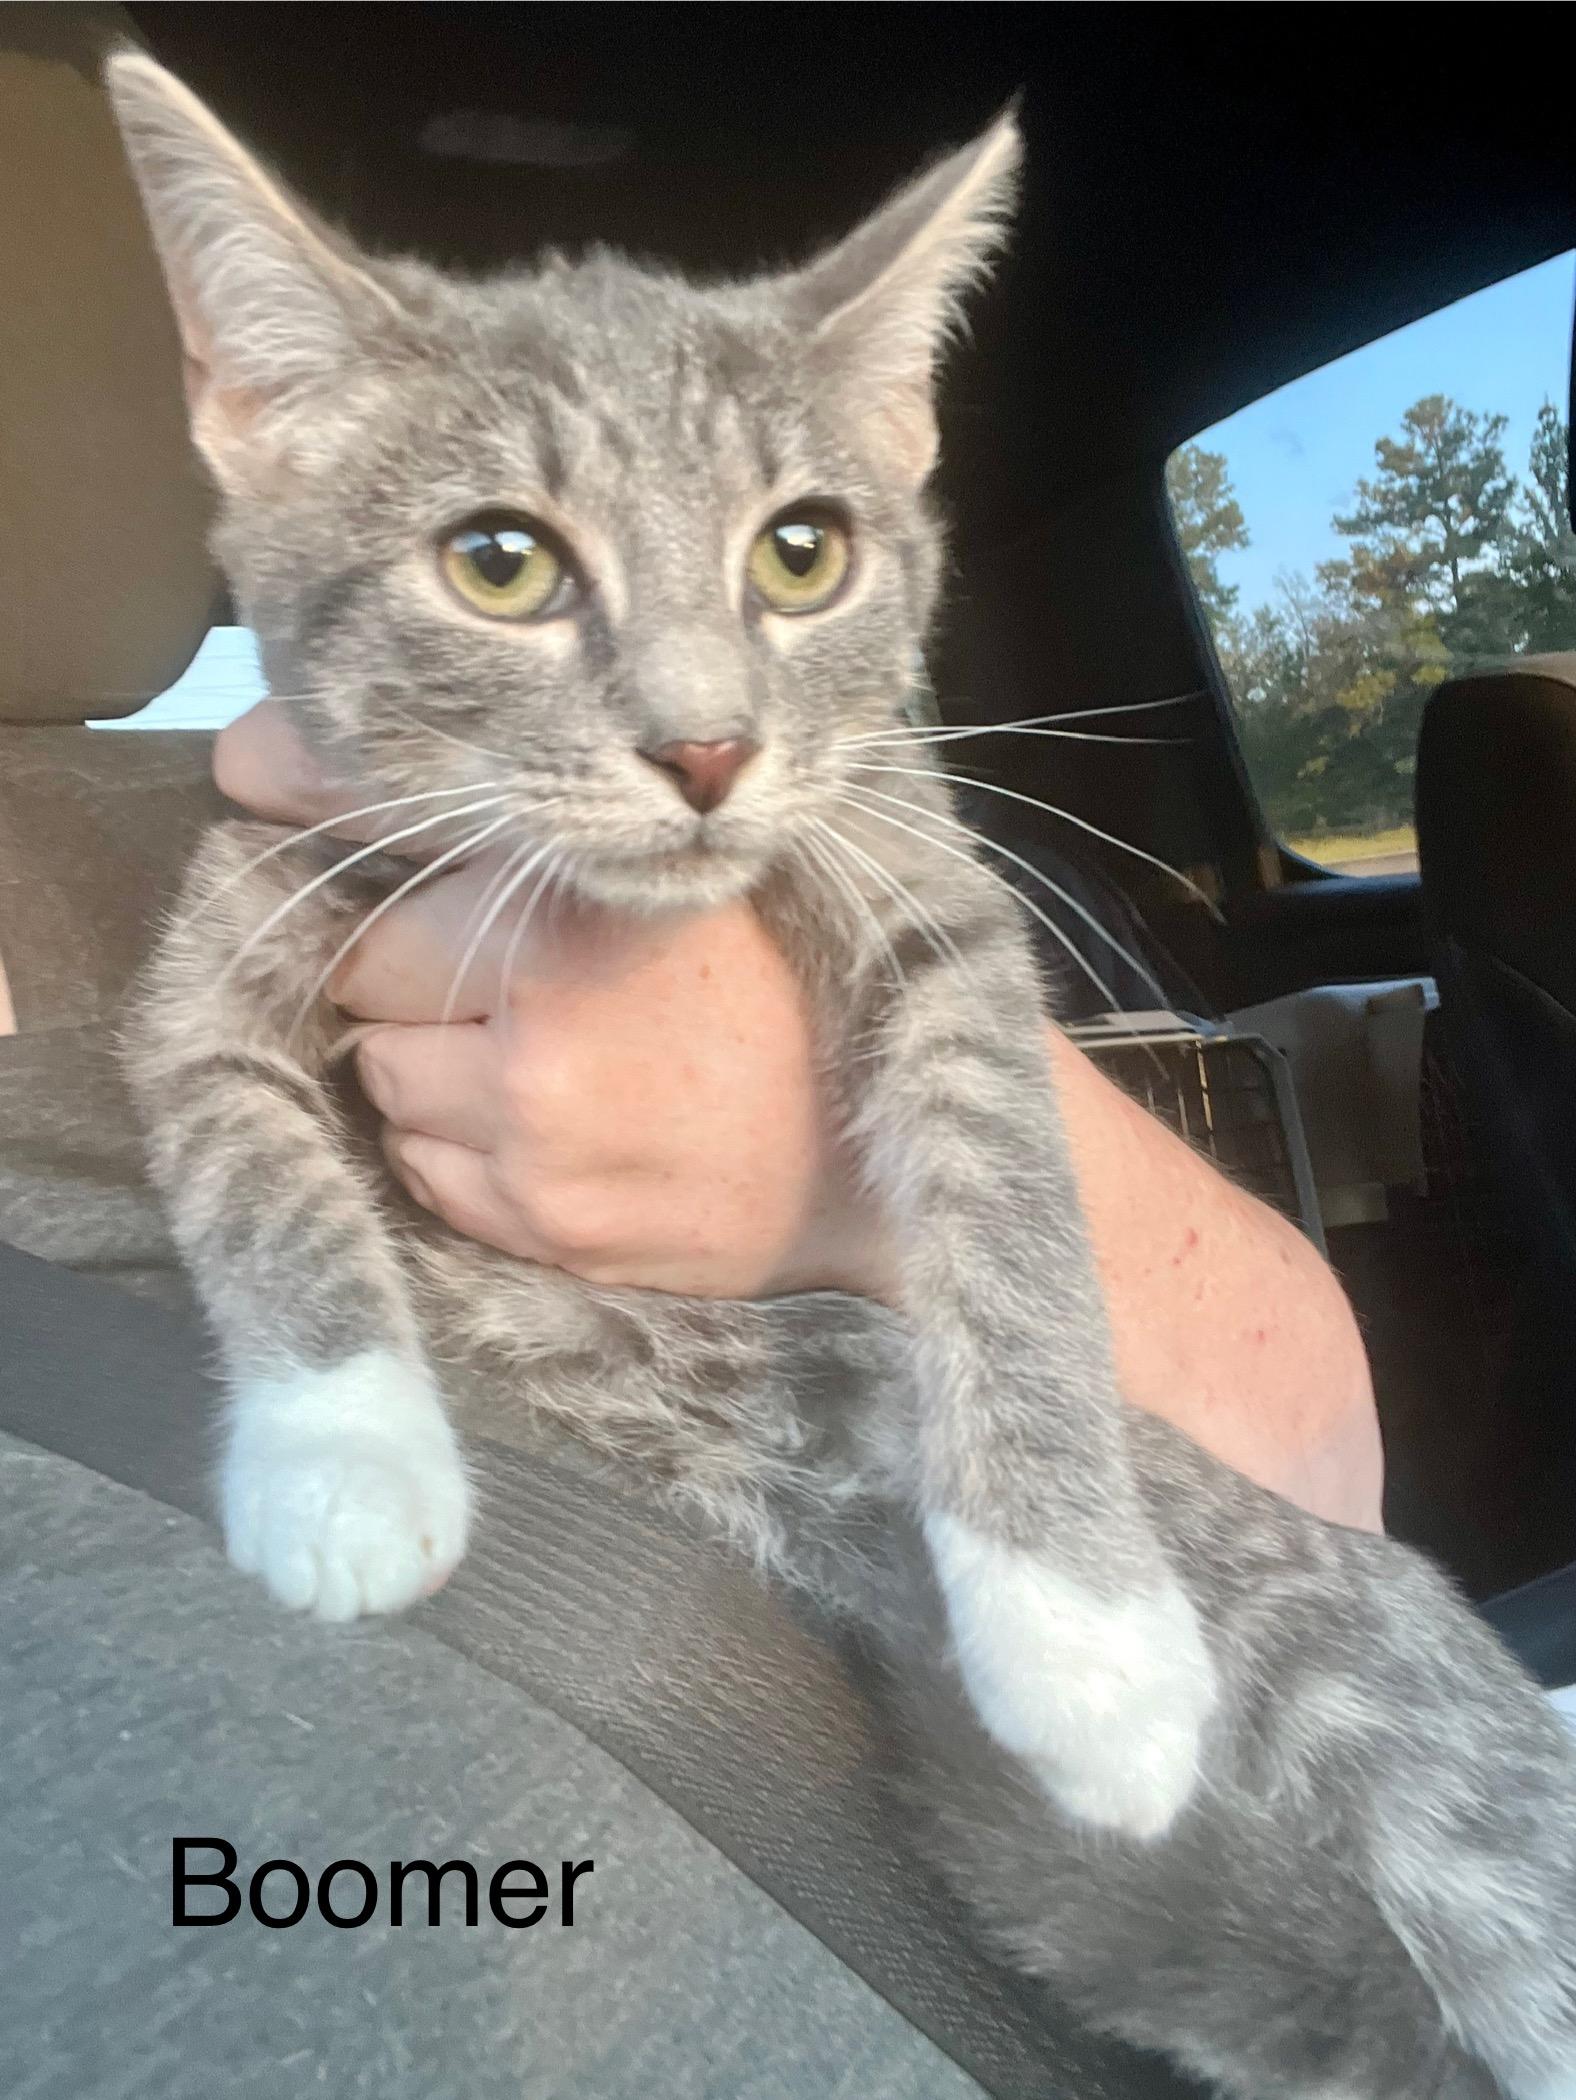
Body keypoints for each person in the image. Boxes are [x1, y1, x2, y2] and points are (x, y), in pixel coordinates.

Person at [214, 698, 1385, 1535]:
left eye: (792, 548)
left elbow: (1333, 1487)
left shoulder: (1022, 869)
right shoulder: (271, 866)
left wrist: (859, 1158)